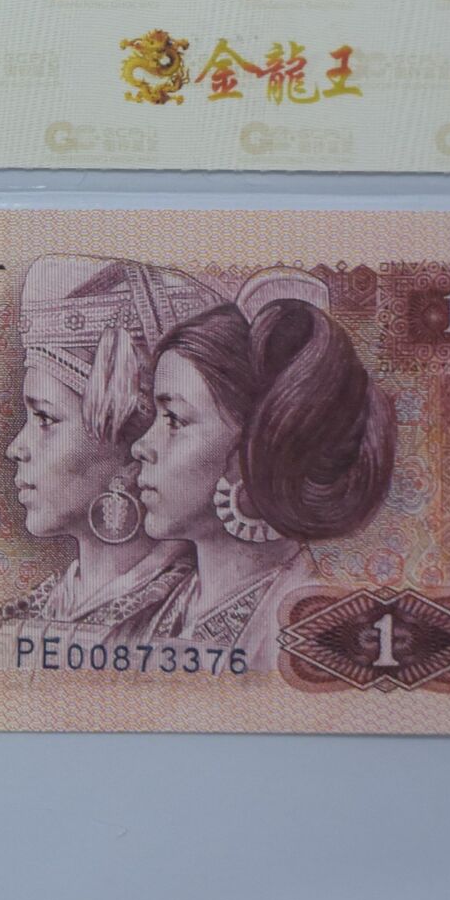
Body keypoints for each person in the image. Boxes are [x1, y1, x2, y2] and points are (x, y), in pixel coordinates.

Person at [124, 267, 396, 671]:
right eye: (154, 418)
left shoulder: (313, 631)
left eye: (175, 420)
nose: (141, 446)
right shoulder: (148, 611)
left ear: (256, 447)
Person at [0, 255, 221, 673]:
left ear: (132, 448)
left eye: (45, 419)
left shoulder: (197, 620)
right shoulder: (34, 612)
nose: (16, 448)